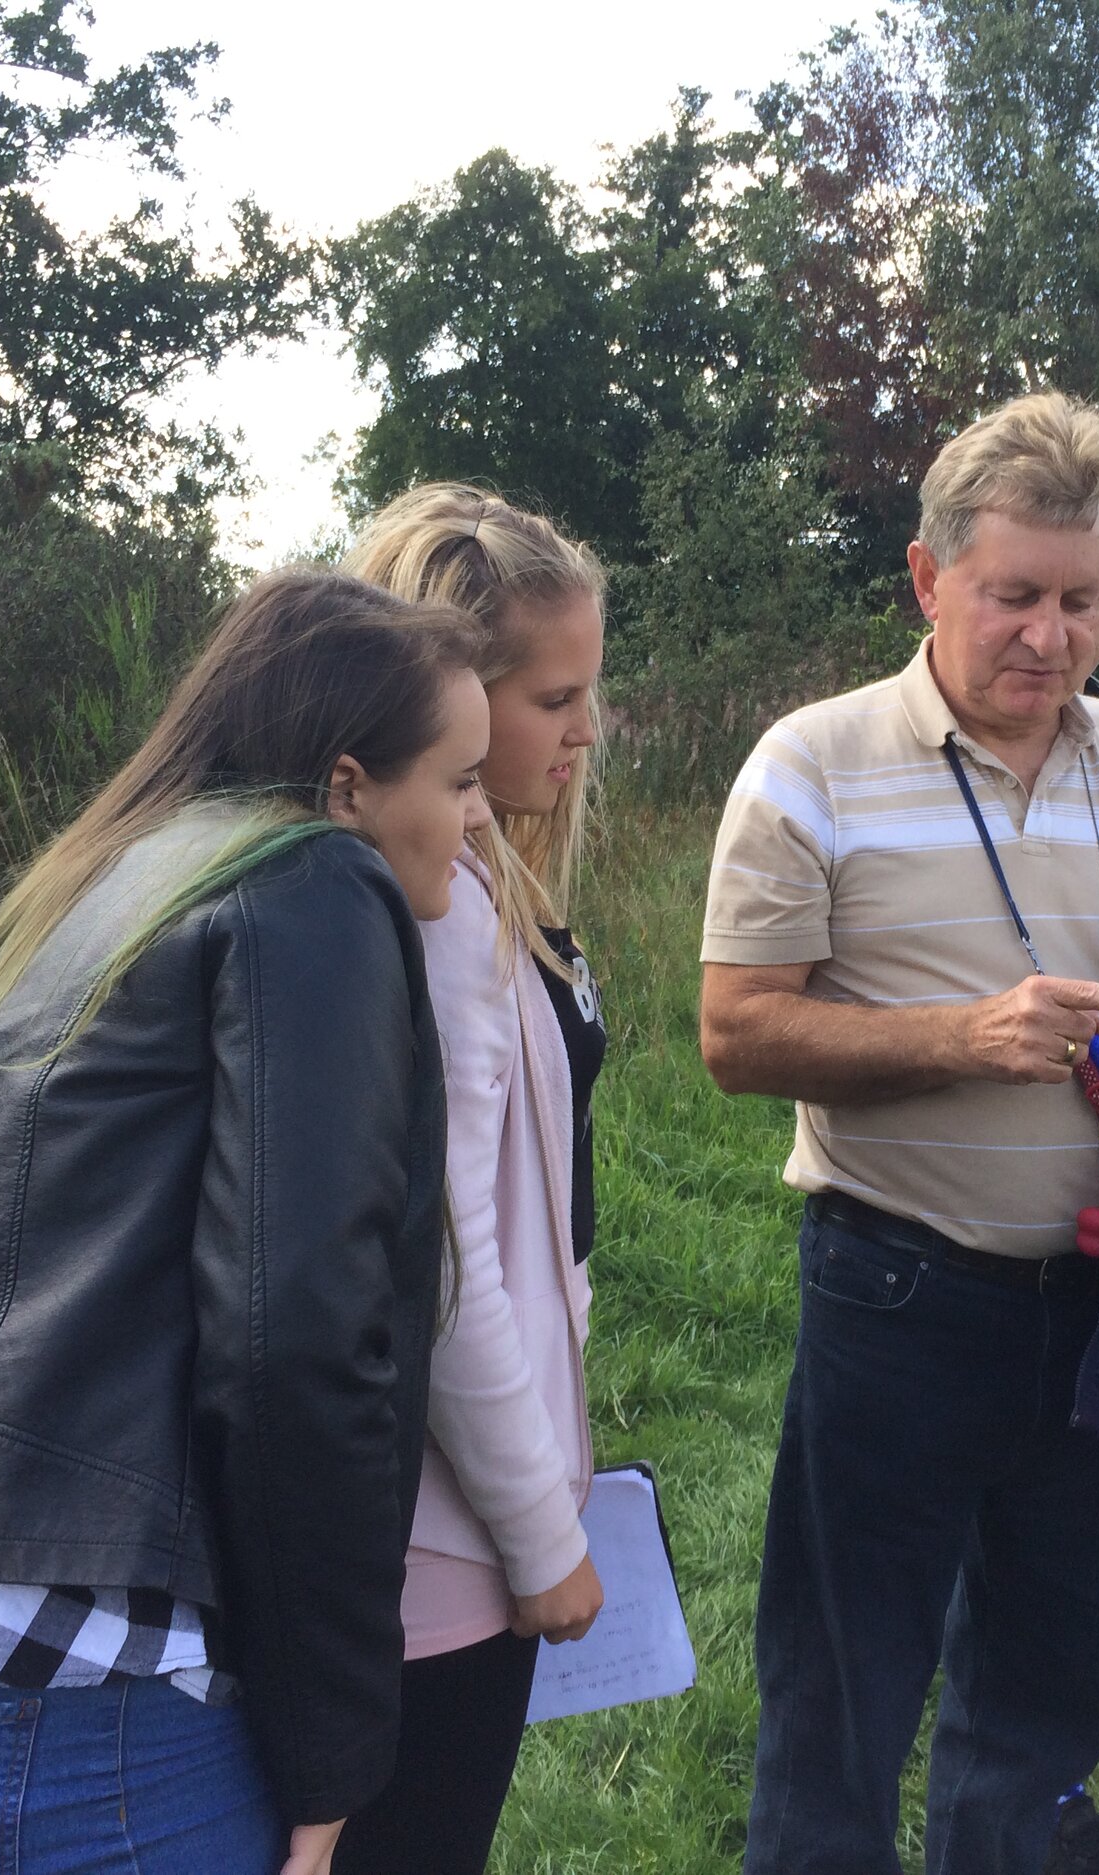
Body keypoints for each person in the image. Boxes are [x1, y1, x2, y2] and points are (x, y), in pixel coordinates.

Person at [0, 568, 493, 1875]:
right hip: (62, 1705)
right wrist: (334, 1758)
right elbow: (295, 1347)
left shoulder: (105, 874)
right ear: (344, 786)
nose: (481, 821)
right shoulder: (314, 881)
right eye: (461, 779)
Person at [699, 391, 1099, 1875]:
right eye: (1013, 594)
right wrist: (961, 1036)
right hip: (900, 1286)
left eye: (1085, 600)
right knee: (846, 1671)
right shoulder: (809, 762)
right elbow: (737, 1032)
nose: (1050, 634)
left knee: (1043, 1656)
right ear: (927, 578)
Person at [332, 486, 611, 1874]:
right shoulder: (433, 908)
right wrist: (540, 1529)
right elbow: (443, 1265)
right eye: (554, 697)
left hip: (464, 1502)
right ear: (448, 693)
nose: (584, 730)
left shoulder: (484, 865)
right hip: (438, 1539)